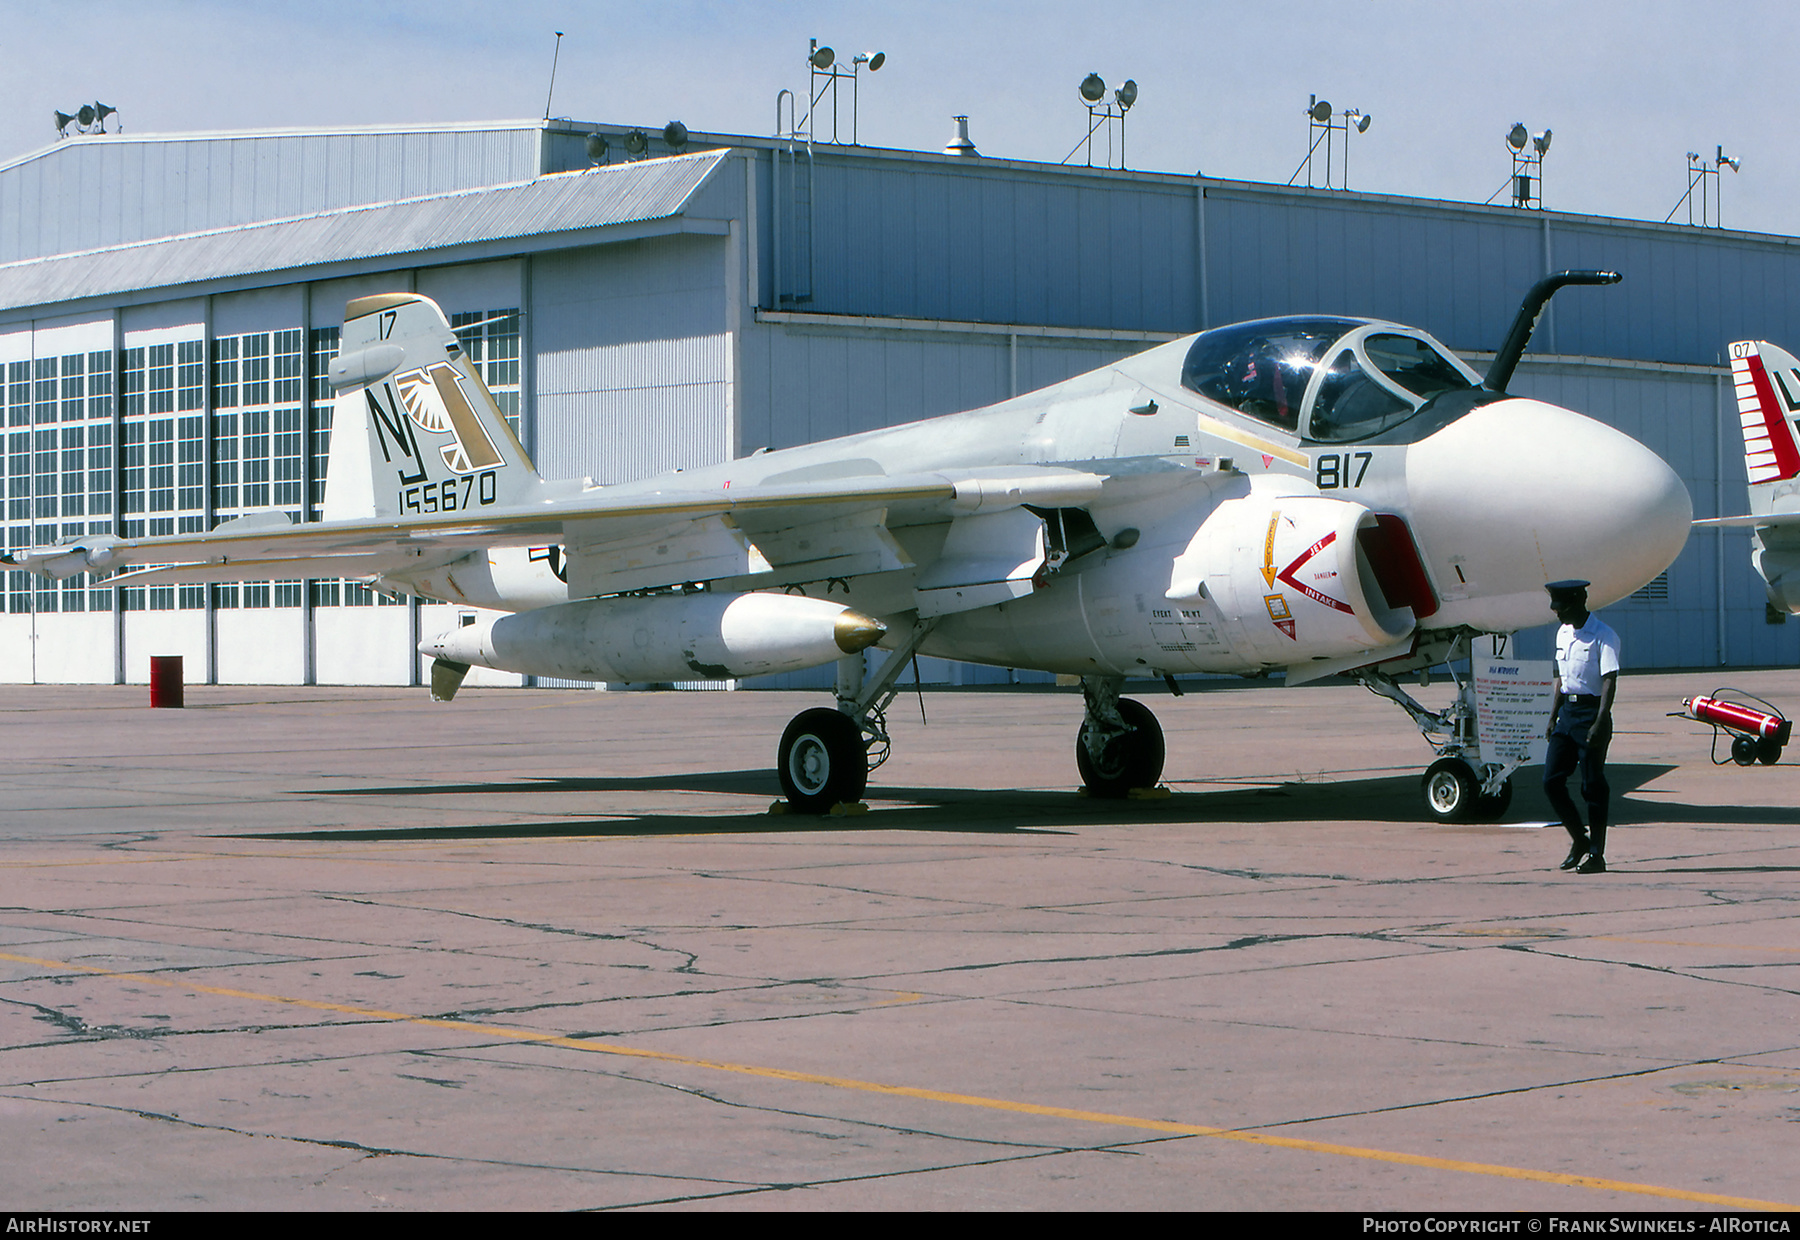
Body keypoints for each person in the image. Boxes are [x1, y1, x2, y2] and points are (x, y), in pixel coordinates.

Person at [1543, 580, 1620, 874]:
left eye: (1561, 608)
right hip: (1568, 713)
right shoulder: (1563, 634)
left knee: (1593, 787)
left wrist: (1601, 722)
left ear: (1578, 602)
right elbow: (1562, 679)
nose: (1557, 614)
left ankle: (1597, 855)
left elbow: (1609, 680)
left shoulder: (1604, 636)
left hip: (1592, 713)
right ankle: (1579, 839)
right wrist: (1553, 716)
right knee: (1551, 781)